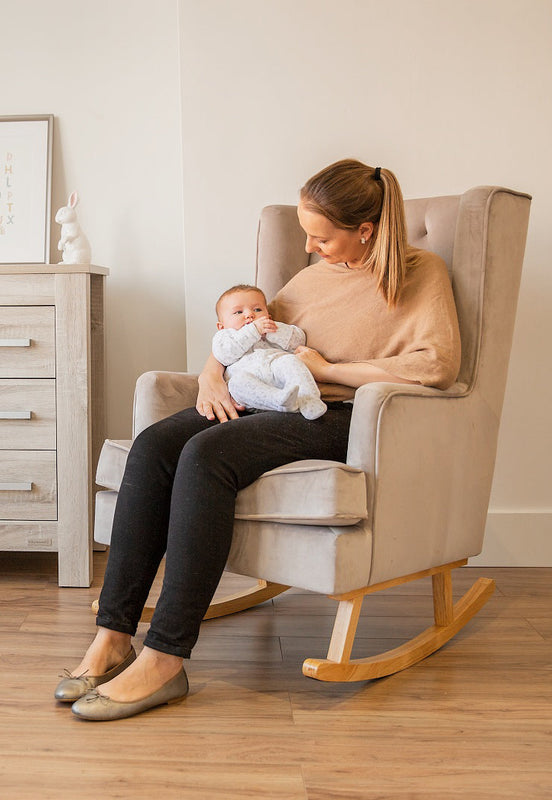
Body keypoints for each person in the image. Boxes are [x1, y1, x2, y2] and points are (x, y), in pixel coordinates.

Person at [55, 158, 461, 721]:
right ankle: (114, 635)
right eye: (305, 234)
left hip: (339, 416)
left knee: (207, 454)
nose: (312, 247)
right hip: (266, 398)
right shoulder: (312, 278)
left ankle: (166, 658)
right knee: (152, 447)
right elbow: (244, 333)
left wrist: (331, 369)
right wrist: (210, 375)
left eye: (322, 237)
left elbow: (436, 366)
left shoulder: (422, 274)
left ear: (365, 229)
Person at [212, 284, 326, 419]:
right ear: (221, 326)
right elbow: (224, 355)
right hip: (252, 389)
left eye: (257, 309)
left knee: (290, 361)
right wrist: (253, 331)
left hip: (277, 374)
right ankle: (279, 401)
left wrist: (273, 331)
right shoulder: (224, 336)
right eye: (238, 312)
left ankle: (309, 401)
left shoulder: (272, 329)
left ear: (269, 317)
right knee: (236, 383)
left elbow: (298, 341)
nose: (250, 315)